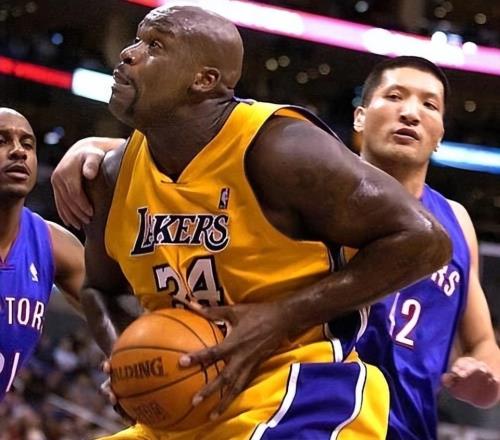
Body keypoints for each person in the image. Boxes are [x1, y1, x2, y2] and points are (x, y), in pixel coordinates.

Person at [51, 6, 452, 440]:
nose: (128, 54)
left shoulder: (280, 147)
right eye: (136, 40)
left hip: (301, 394)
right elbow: (97, 289)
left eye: (155, 45)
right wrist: (131, 362)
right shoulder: (114, 174)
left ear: (204, 79)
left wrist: (279, 317)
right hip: (186, 409)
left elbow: (425, 240)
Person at [352, 56, 500, 440]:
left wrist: (482, 375)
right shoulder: (318, 197)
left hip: (410, 428)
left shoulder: (457, 221)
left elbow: (483, 343)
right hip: (315, 421)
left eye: (429, 105)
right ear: (360, 117)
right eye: (394, 96)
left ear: (440, 135)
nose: (410, 113)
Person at [0, 107, 84, 402]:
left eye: (28, 144)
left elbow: (116, 311)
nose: (18, 151)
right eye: (1, 140)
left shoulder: (53, 244)